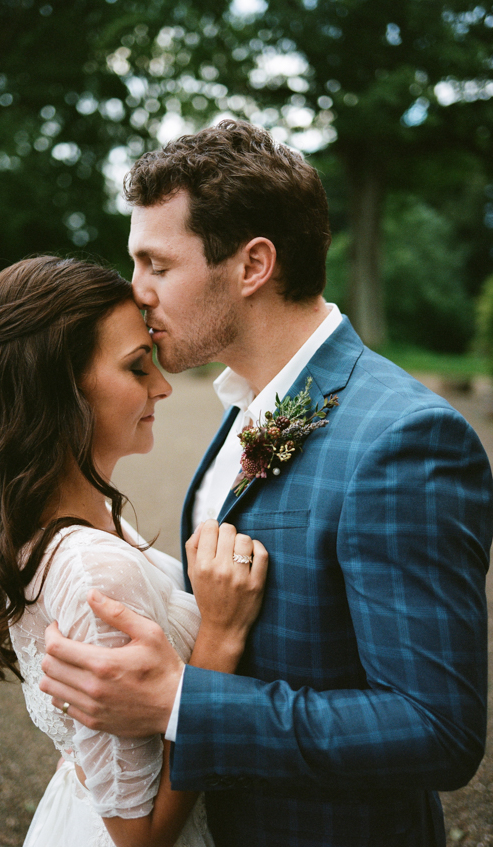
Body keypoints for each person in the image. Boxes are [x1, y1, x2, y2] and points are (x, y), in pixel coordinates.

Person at [40, 121, 493, 847]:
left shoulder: (405, 440)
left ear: (252, 265)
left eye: (157, 264)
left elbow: (437, 728)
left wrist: (180, 699)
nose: (136, 294)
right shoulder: (245, 406)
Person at [0, 255, 268, 847]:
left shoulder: (72, 520)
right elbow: (139, 838)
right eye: (138, 367)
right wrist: (219, 637)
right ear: (60, 389)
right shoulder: (93, 565)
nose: (163, 386)